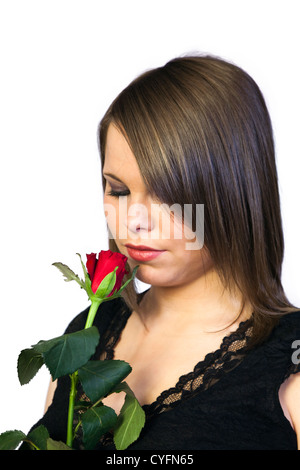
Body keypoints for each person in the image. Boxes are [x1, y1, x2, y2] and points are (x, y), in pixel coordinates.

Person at [29, 54, 300, 450]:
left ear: (233, 190)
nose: (133, 221)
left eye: (168, 194)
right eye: (118, 190)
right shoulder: (87, 333)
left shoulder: (289, 363)